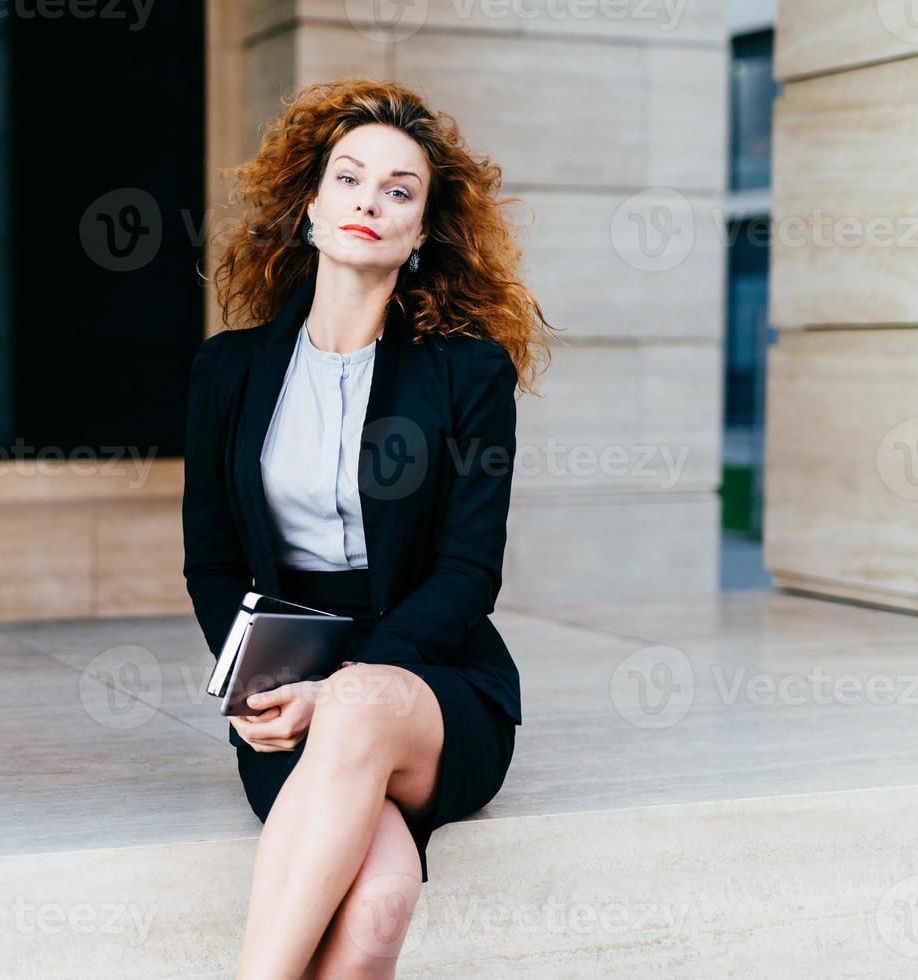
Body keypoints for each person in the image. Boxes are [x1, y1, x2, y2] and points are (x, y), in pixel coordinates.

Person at [182, 78, 558, 978]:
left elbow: (470, 571)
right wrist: (257, 693)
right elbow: (212, 562)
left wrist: (346, 684)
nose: (370, 202)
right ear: (309, 204)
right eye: (349, 179)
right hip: (288, 675)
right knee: (384, 898)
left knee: (357, 703)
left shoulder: (468, 375)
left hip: (434, 677)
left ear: (421, 232)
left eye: (400, 191)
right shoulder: (227, 371)